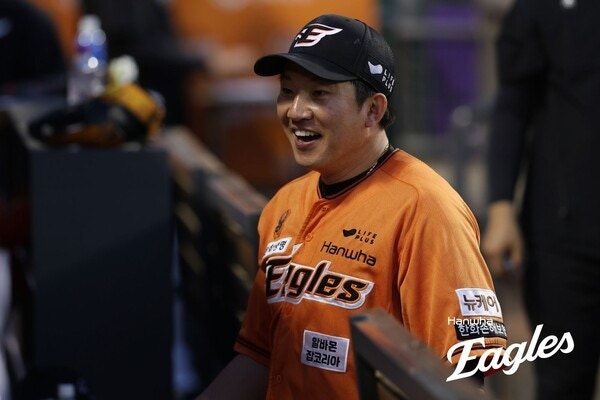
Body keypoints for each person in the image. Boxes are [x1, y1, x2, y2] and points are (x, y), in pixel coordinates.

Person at [197, 14, 508, 400]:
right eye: (287, 91)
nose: (296, 111)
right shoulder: (285, 203)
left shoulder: (428, 209)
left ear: (373, 110)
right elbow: (260, 355)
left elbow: (463, 385)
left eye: (319, 94)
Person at [481, 1, 600, 399]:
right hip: (564, 237)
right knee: (562, 383)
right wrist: (501, 208)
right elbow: (513, 106)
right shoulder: (542, 9)